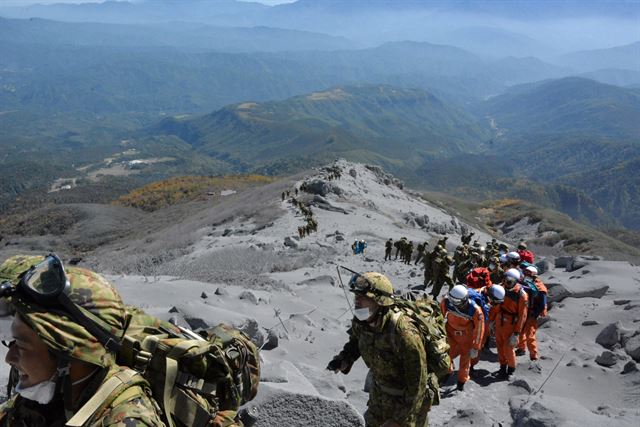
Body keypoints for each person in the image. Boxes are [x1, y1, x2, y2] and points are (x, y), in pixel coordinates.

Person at [0, 254, 166, 427]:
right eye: (11, 343)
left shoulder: (125, 420)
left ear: (67, 352)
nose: (9, 358)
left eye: (20, 345)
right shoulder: (58, 392)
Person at [328, 272, 429, 427]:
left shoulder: (403, 333)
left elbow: (418, 384)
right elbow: (356, 342)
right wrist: (345, 359)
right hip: (379, 397)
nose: (357, 301)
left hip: (407, 405)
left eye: (363, 297)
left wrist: (398, 420)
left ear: (380, 301)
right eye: (356, 296)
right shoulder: (362, 321)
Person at [440, 286, 484, 391]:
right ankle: (447, 372)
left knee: (465, 359)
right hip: (450, 332)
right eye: (452, 300)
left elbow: (479, 328)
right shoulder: (446, 302)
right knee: (446, 353)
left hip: (466, 336)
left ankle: (461, 381)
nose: (454, 303)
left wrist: (476, 346)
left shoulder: (475, 310)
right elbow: (440, 317)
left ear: (464, 299)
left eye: (456, 301)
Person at [493, 268, 528, 379]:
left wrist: (517, 333)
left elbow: (523, 315)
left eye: (510, 281)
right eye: (506, 280)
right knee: (499, 347)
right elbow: (496, 306)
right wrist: (492, 321)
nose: (507, 283)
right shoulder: (501, 289)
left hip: (512, 325)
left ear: (516, 281)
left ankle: (511, 369)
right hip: (500, 321)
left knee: (508, 349)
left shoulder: (521, 295)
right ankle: (502, 367)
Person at [517, 266, 547, 361]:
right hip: (524, 310)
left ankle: (533, 355)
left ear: (533, 275)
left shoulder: (540, 288)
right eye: (525, 273)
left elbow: (542, 304)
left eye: (528, 274)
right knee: (520, 330)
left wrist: (534, 314)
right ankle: (521, 348)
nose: (525, 275)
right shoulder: (524, 283)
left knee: (530, 334)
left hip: (532, 312)